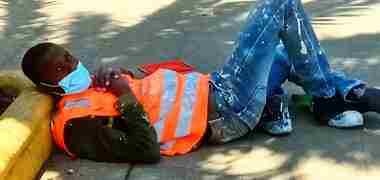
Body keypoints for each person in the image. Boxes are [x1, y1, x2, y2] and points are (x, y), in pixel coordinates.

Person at [21, 0, 380, 163]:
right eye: (59, 67)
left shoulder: (95, 86)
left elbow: (162, 84)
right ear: (46, 85)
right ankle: (328, 100)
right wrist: (125, 94)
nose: (71, 64)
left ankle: (345, 93)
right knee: (279, 6)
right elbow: (144, 151)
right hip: (224, 111)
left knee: (282, 55)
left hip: (218, 86)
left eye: (68, 56)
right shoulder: (73, 126)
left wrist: (124, 74)